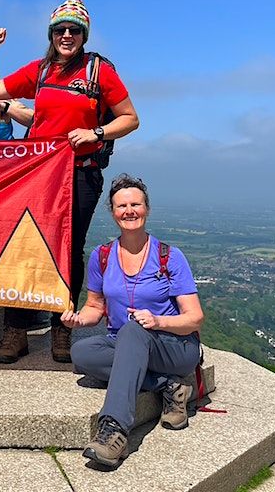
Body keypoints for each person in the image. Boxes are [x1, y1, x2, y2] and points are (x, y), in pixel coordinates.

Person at [0, 0, 140, 364]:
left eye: (74, 30)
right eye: (60, 30)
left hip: (80, 172)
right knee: (22, 247)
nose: (66, 35)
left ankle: (62, 331)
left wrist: (96, 132)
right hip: (37, 174)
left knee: (68, 251)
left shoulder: (99, 72)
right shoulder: (41, 70)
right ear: (51, 35)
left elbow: (130, 118)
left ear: (84, 35)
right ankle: (15, 332)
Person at [61, 175, 203, 467]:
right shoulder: (102, 257)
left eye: (135, 204)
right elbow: (95, 307)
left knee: (134, 331)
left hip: (175, 346)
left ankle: (113, 430)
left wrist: (158, 321)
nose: (129, 210)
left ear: (146, 208)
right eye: (121, 205)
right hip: (125, 342)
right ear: (113, 212)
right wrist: (78, 320)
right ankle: (168, 386)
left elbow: (194, 318)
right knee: (81, 353)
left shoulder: (169, 257)